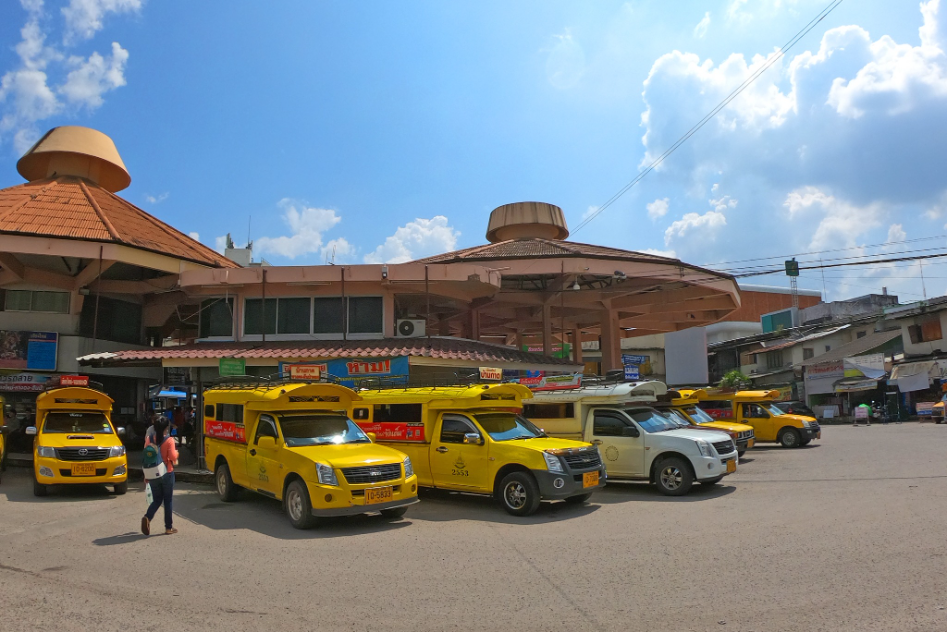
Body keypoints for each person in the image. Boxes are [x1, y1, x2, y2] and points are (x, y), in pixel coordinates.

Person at [141, 416, 179, 536]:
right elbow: (173, 457)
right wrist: (177, 454)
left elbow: (146, 457)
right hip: (167, 473)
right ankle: (168, 527)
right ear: (166, 428)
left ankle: (148, 517)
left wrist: (145, 475)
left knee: (157, 499)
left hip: (152, 473)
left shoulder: (149, 439)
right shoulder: (169, 440)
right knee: (168, 500)